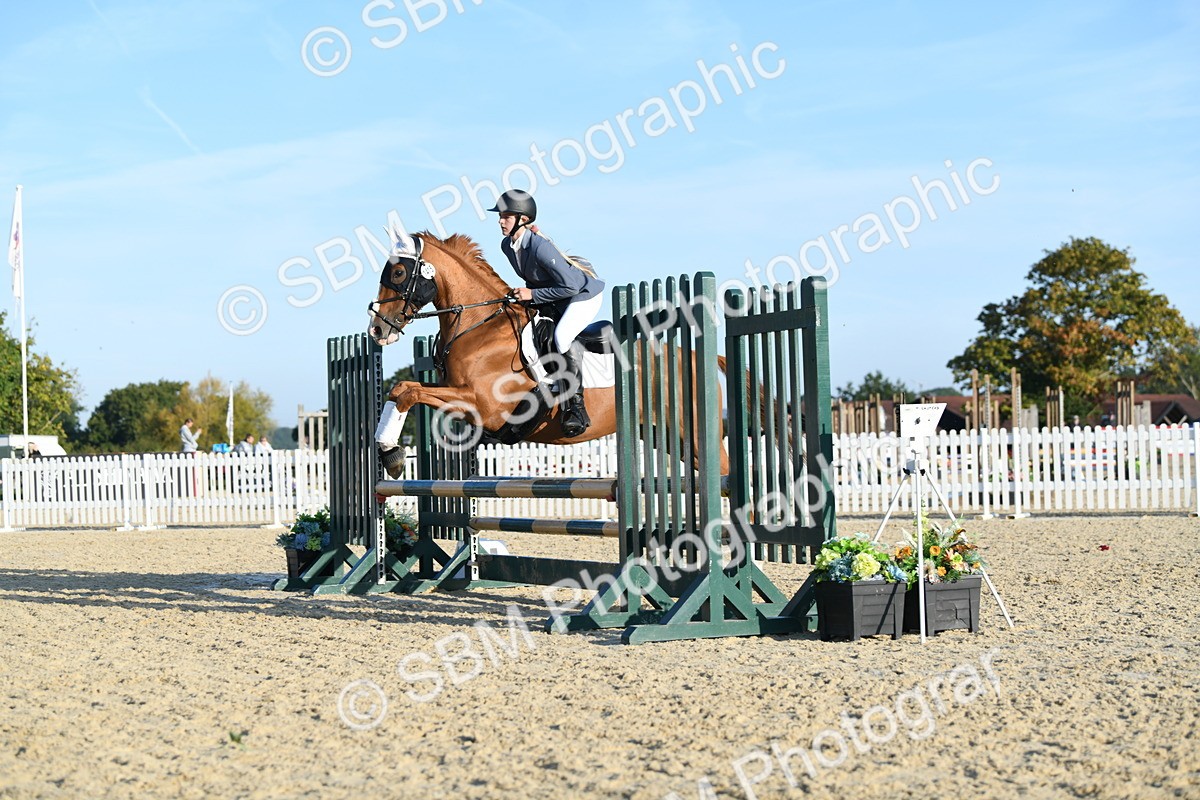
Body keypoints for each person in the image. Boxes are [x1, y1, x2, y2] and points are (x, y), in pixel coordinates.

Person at [489, 189, 604, 438]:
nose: (500, 220)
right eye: (500, 216)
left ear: (523, 218)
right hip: (558, 294)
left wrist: (532, 295)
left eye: (506, 216)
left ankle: (576, 407)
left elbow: (570, 286)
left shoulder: (540, 247)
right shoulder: (507, 246)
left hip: (583, 295)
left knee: (562, 337)